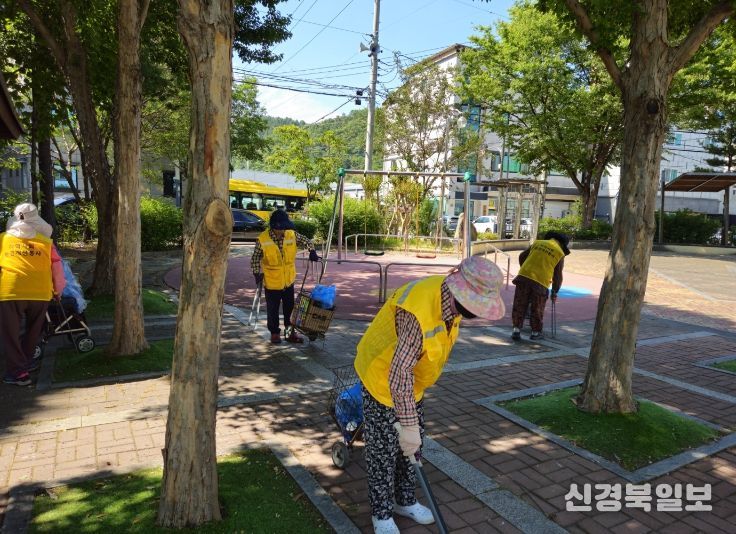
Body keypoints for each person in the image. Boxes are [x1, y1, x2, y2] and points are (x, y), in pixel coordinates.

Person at [354, 256, 505, 534]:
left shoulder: (451, 304)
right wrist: (408, 424)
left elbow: (414, 365)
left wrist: (411, 426)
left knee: (412, 448)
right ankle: (381, 513)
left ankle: (404, 501)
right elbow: (398, 373)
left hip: (411, 383)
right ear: (460, 292)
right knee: (383, 450)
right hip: (381, 376)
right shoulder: (418, 310)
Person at [1, 203, 65, 386]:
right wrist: (58, 291)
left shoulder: (3, 240)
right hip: (40, 292)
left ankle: (18, 372)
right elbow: (57, 270)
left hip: (11, 291)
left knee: (10, 334)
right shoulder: (46, 243)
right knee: (33, 331)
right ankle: (26, 364)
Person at [251, 209, 320, 344]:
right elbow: (255, 258)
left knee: (289, 309)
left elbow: (307, 241)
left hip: (288, 281)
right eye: (280, 228)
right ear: (274, 227)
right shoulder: (262, 239)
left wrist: (312, 251)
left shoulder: (291, 234)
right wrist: (256, 273)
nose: (283, 230)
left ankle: (289, 334)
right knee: (273, 310)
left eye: (284, 227)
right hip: (272, 282)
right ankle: (274, 333)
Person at [510, 231, 570, 341]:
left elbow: (522, 256)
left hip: (523, 277)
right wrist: (555, 291)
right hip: (540, 282)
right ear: (562, 244)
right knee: (537, 307)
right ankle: (535, 332)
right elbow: (558, 275)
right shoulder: (559, 253)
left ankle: (516, 330)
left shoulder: (537, 243)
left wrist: (525, 268)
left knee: (520, 303)